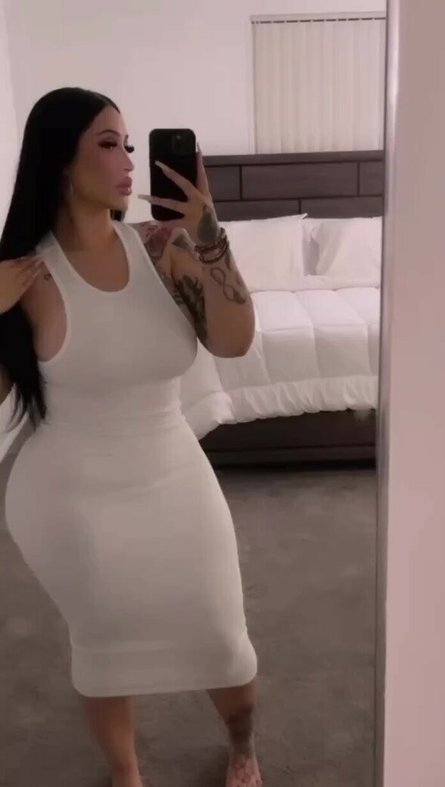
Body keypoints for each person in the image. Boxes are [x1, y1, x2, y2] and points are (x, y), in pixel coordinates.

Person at [0, 87, 261, 787]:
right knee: (105, 647)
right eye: (108, 144)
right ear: (61, 160)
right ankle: (125, 772)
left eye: (131, 146)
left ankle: (242, 744)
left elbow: (235, 340)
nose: (128, 161)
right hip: (72, 501)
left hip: (175, 475)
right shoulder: (24, 275)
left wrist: (209, 232)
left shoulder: (162, 248)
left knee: (223, 636)